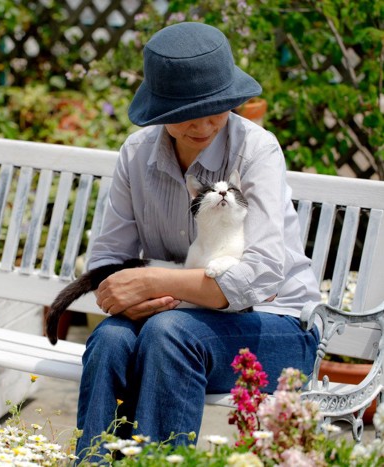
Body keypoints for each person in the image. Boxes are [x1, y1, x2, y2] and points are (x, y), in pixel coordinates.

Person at [74, 22, 321, 461]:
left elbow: (259, 277)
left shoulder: (256, 150)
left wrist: (151, 284)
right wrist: (129, 300)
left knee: (170, 333)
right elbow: (109, 260)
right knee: (111, 340)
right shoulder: (136, 154)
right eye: (189, 111)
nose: (205, 124)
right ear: (159, 109)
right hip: (173, 324)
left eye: (219, 108)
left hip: (278, 326)